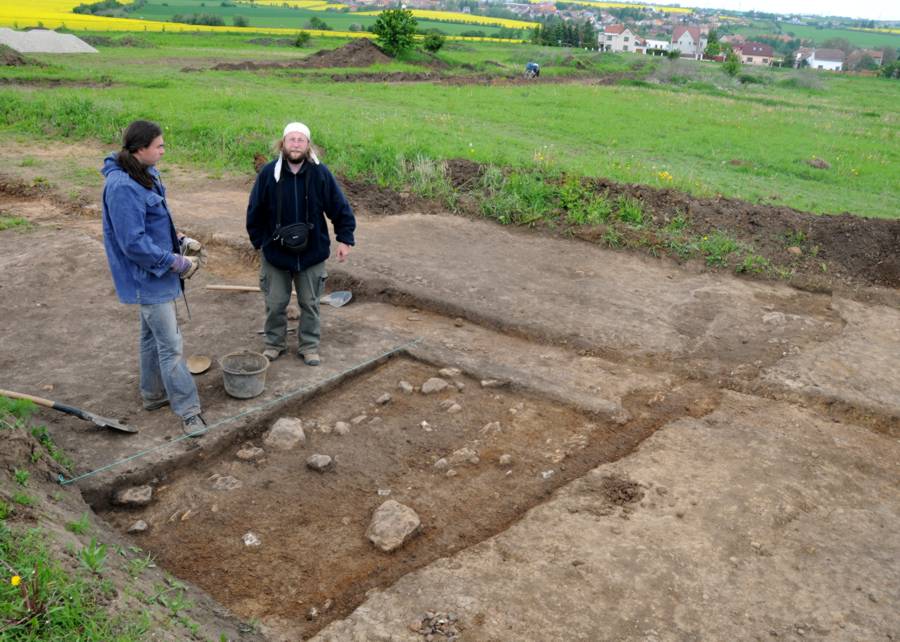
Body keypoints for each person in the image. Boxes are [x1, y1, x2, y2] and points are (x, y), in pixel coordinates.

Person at [101, 119, 207, 437]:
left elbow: (151, 223)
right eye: (159, 146)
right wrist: (177, 262)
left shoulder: (145, 173)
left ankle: (153, 395)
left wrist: (179, 239)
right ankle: (189, 412)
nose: (163, 150)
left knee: (150, 338)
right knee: (171, 346)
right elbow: (133, 243)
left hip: (156, 273)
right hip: (146, 276)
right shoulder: (121, 187)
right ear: (140, 148)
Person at [246, 122, 356, 365]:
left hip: (312, 253)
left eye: (300, 140)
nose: (295, 144)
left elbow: (339, 207)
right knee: (275, 304)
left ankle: (309, 346)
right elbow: (255, 209)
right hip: (276, 253)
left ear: (308, 145)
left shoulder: (320, 174)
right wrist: (259, 242)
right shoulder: (268, 174)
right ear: (282, 143)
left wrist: (345, 238)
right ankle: (274, 344)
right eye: (291, 139)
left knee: (310, 303)